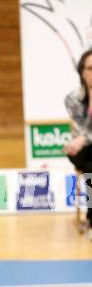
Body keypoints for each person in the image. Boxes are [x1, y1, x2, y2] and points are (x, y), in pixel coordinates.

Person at [64, 49, 92, 235]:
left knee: (91, 167)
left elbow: (86, 137)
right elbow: (82, 134)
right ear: (82, 72)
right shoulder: (73, 99)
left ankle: (90, 219)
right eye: (90, 68)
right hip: (80, 150)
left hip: (88, 152)